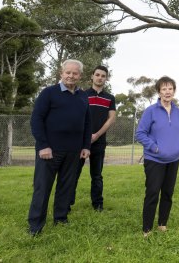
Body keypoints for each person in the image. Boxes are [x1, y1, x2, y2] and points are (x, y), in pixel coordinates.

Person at [27, 59, 91, 236]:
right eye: (68, 72)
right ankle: (35, 225)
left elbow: (87, 122)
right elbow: (36, 120)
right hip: (50, 151)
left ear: (80, 75)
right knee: (42, 188)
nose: (71, 76)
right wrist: (43, 145)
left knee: (66, 186)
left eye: (75, 73)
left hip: (74, 151)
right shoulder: (49, 93)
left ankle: (61, 219)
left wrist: (86, 146)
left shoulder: (83, 96)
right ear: (61, 73)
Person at [136, 76, 179, 236]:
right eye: (164, 89)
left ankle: (162, 223)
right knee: (152, 193)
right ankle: (147, 228)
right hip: (154, 160)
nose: (167, 92)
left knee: (168, 193)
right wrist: (155, 148)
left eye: (170, 88)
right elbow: (141, 133)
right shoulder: (151, 111)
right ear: (159, 92)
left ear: (174, 91)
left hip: (173, 159)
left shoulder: (178, 112)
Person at [71, 65, 116, 212]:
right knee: (73, 173)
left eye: (103, 76)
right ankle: (67, 203)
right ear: (92, 76)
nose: (100, 78)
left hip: (99, 142)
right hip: (80, 142)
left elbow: (111, 119)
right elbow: (76, 116)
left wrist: (96, 135)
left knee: (96, 176)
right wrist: (86, 135)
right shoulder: (82, 95)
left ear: (106, 78)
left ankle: (97, 205)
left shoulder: (110, 98)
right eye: (97, 75)